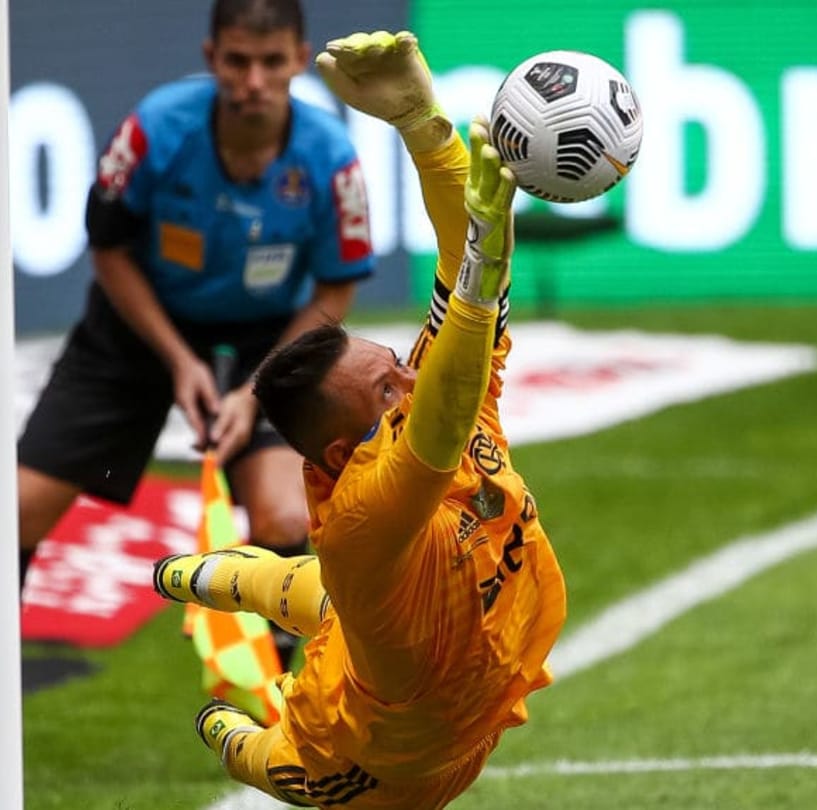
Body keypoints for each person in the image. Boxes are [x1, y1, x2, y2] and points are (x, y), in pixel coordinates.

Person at [0, 0, 375, 771]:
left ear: (298, 58)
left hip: (270, 342)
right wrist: (179, 360)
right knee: (10, 512)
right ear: (212, 57)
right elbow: (110, 250)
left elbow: (337, 285)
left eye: (271, 62)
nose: (254, 80)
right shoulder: (155, 130)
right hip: (135, 329)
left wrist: (256, 386)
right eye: (238, 61)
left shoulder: (332, 158)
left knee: (287, 514)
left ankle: (302, 724)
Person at [152, 30, 568, 809]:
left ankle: (207, 575)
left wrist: (423, 125)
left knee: (324, 599)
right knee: (268, 755)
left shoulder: (427, 399)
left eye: (402, 364)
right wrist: (484, 266)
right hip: (384, 763)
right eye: (386, 387)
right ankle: (231, 731)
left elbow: (463, 270)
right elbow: (453, 374)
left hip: (454, 677)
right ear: (347, 453)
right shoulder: (368, 513)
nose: (412, 377)